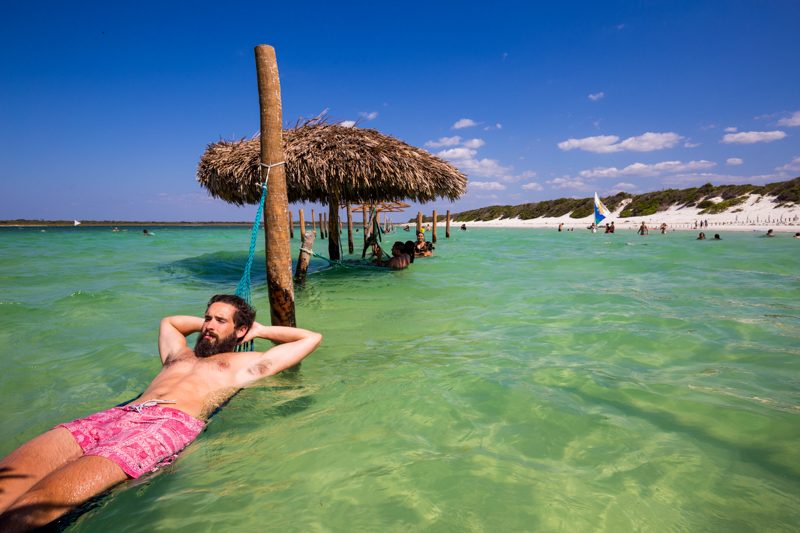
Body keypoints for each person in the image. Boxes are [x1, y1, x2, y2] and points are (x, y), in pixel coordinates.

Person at [0, 295, 322, 529]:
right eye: (207, 317)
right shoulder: (178, 355)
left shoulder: (243, 366)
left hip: (164, 427)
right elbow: (169, 321)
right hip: (118, 414)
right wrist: (214, 325)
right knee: (10, 479)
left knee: (34, 505)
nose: (208, 326)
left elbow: (310, 338)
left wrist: (258, 330)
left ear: (240, 331)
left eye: (218, 321)